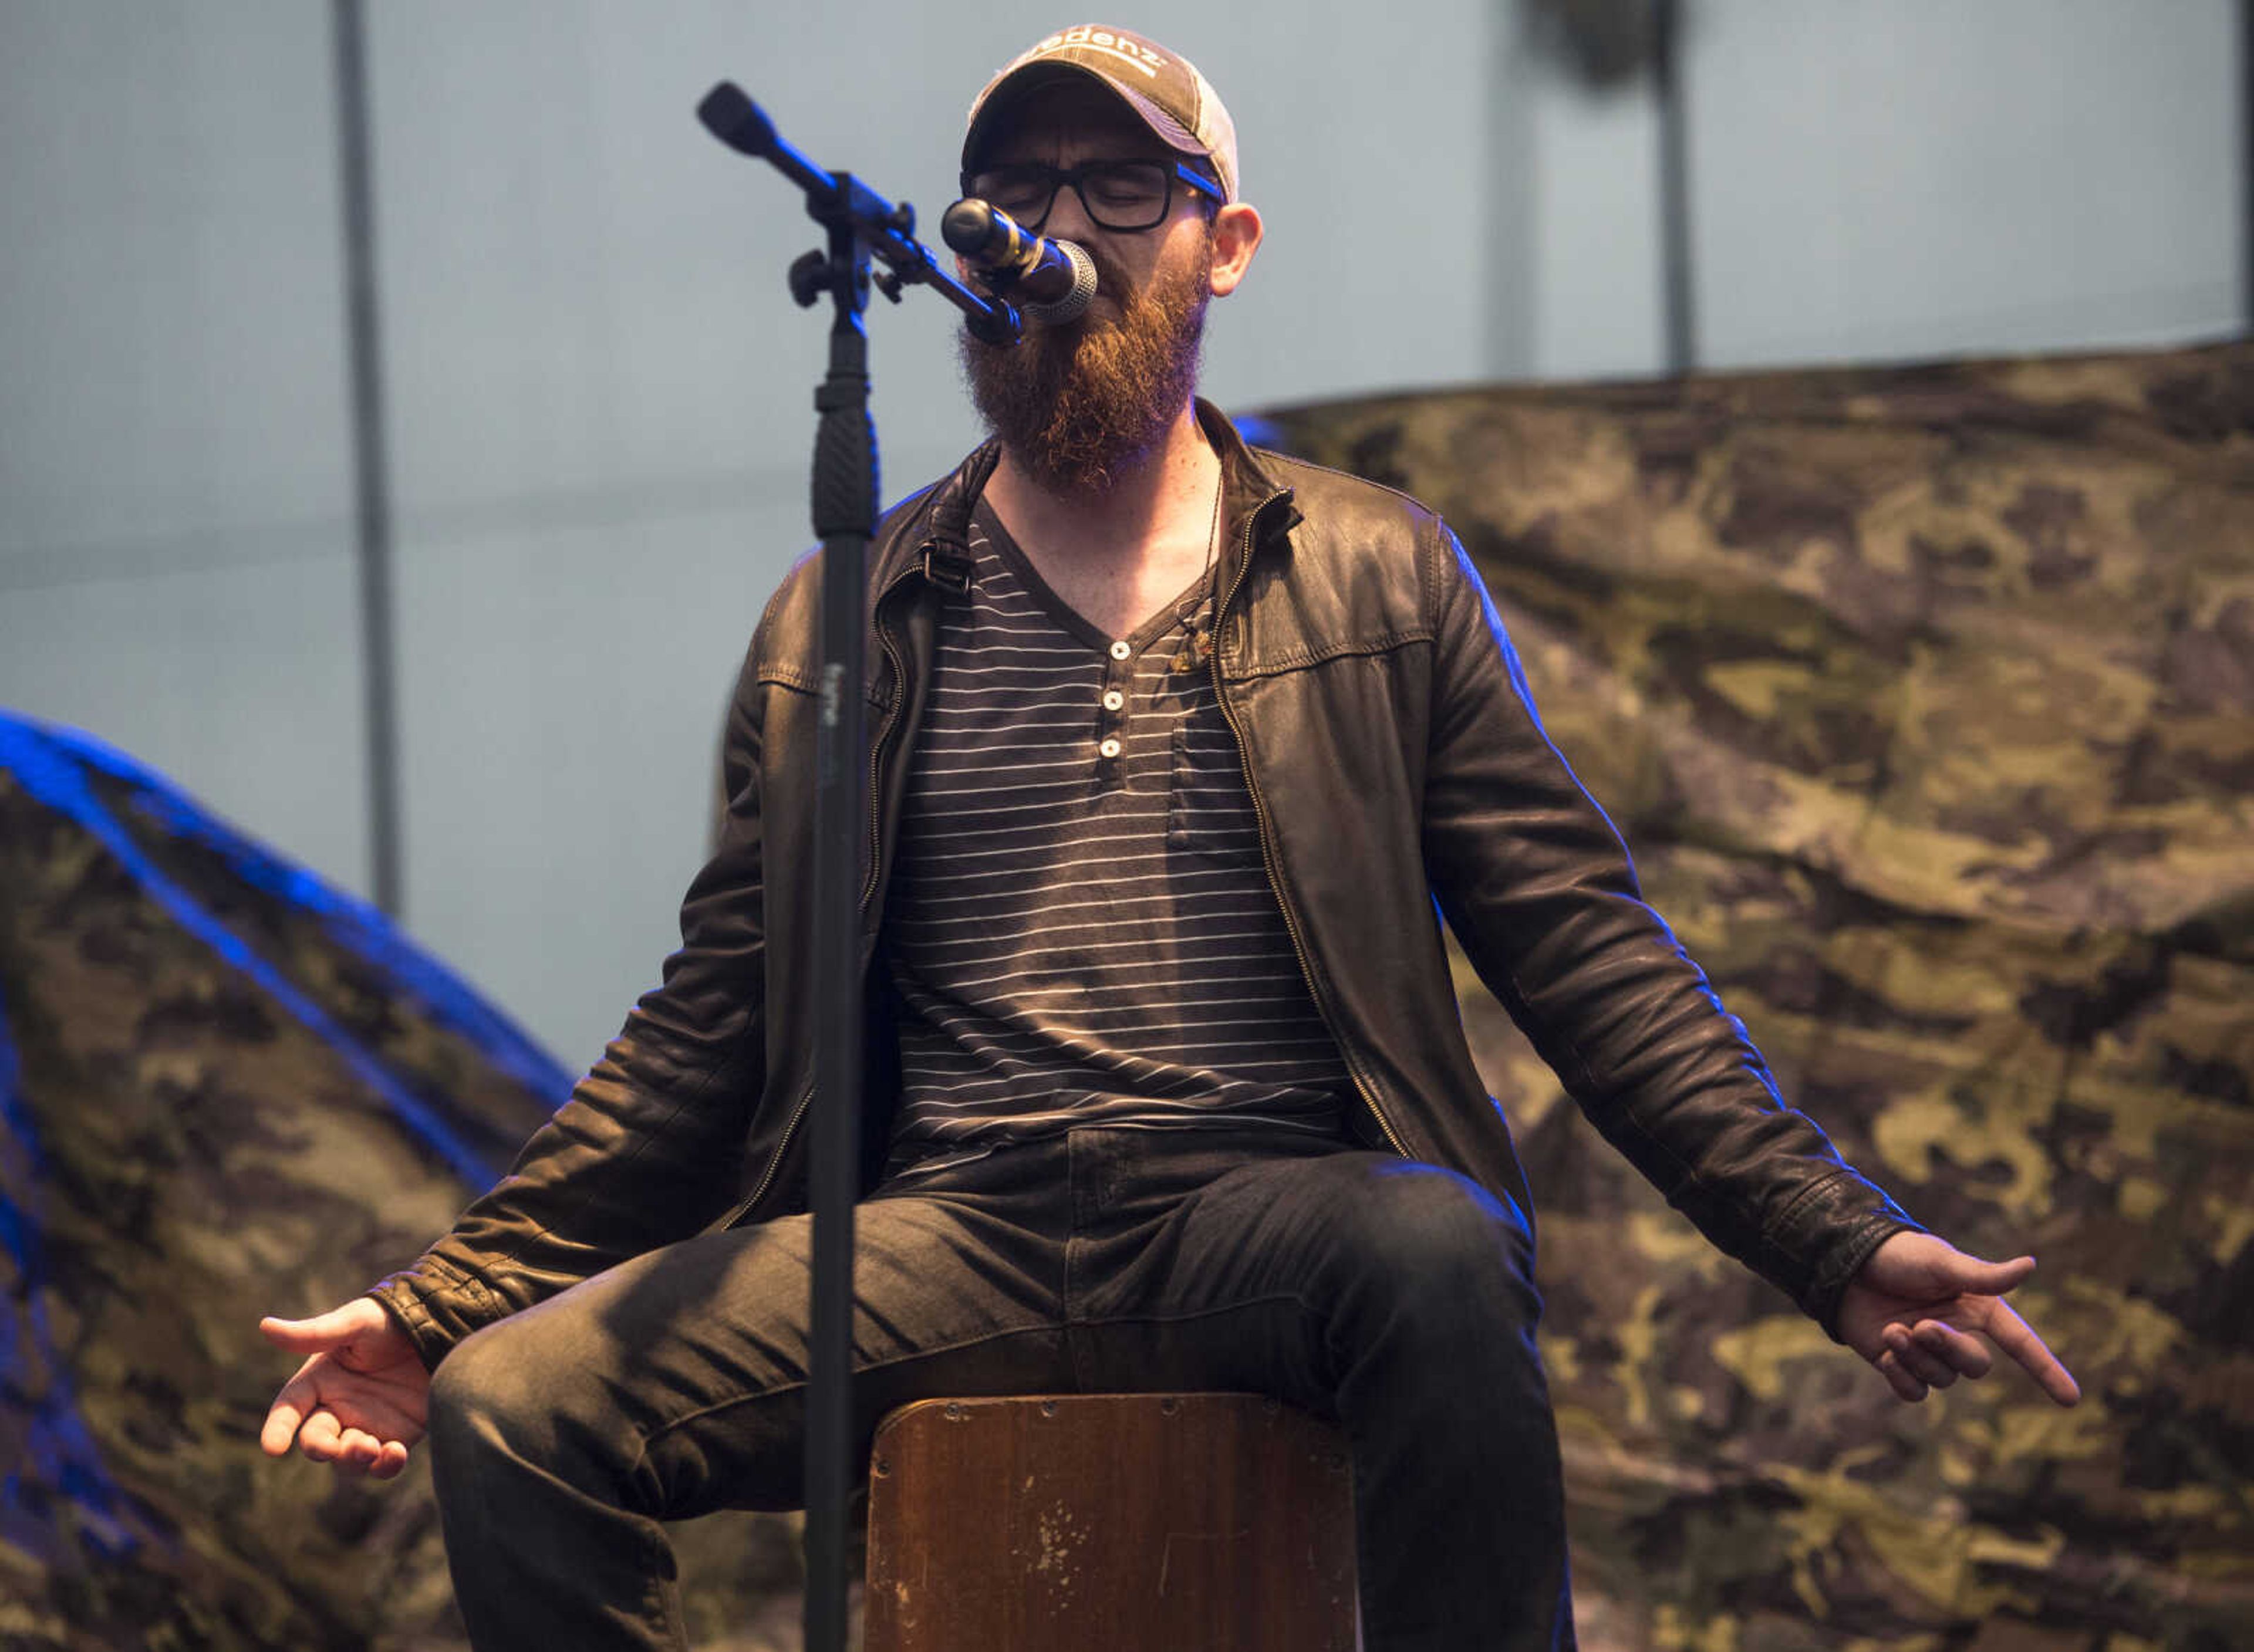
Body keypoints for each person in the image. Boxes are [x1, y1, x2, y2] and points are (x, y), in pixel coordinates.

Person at [259, 24, 2081, 1651]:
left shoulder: (1372, 566)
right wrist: (440, 1309)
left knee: (1440, 1253)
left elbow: (1590, 955)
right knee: (518, 1407)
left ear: (1228, 244)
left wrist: (1830, 1241)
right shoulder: (843, 616)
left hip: (1271, 1226)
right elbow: (709, 1028)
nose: (1066, 219)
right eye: (1022, 184)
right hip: (946, 1241)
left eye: (1126, 182)